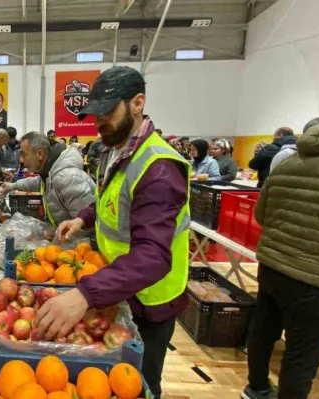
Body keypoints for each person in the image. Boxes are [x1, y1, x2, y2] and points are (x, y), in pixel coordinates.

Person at [34, 66, 191, 398]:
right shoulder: (116, 149)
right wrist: (83, 218)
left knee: (138, 385)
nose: (99, 121)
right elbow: (112, 199)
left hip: (149, 301)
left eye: (107, 111)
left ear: (137, 103)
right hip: (118, 287)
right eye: (95, 114)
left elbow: (153, 256)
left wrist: (86, 294)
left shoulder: (160, 168)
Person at [242, 100, 319, 399]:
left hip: (273, 266)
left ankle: (256, 388)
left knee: (263, 332)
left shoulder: (291, 161)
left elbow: (261, 214)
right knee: (302, 356)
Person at [0, 131, 95, 228]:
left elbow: (84, 226)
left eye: (24, 155)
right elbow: (36, 182)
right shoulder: (50, 174)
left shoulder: (67, 178)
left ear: (39, 154)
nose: (21, 160)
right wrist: (11, 186)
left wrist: (56, 237)